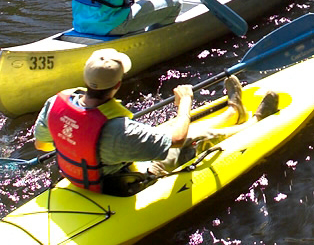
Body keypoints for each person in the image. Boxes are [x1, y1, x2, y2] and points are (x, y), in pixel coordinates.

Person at [33, 50, 275, 195]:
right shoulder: (118, 130)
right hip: (118, 183)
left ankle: (233, 112)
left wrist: (74, 138)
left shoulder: (55, 103)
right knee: (195, 139)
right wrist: (185, 102)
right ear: (117, 86)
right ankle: (254, 120)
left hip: (80, 175)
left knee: (168, 128)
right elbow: (179, 140)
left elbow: (42, 146)